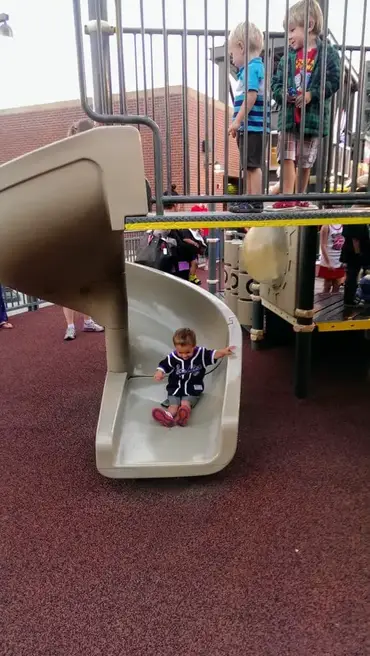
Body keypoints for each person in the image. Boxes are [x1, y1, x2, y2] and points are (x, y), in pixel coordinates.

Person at [271, 0, 340, 210]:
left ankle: (300, 194)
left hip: (312, 117)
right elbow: (276, 84)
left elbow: (333, 80)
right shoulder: (287, 59)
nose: (289, 36)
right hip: (290, 117)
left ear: (309, 26)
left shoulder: (328, 54)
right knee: (287, 155)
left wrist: (312, 94)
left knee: (305, 160)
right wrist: (285, 95)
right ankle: (287, 196)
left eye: (292, 30)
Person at [63, 118, 105, 340]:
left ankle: (87, 320)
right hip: (72, 227)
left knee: (86, 282)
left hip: (84, 227)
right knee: (72, 284)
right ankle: (71, 325)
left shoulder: (87, 156)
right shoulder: (72, 155)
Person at [152, 328, 234, 428]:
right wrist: (159, 372)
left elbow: (213, 354)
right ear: (176, 348)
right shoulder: (173, 357)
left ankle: (183, 415)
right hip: (175, 388)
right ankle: (168, 417)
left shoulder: (201, 354)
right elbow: (164, 365)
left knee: (185, 403)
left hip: (193, 388)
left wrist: (224, 351)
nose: (184, 355)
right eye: (180, 352)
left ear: (194, 346)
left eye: (187, 352)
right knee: (173, 405)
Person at [228, 22, 266, 214]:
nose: (232, 59)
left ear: (242, 47)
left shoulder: (252, 69)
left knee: (252, 166)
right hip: (250, 127)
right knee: (248, 165)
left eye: (232, 54)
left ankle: (255, 200)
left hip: (254, 127)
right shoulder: (251, 69)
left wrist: (237, 121)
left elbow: (250, 97)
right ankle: (250, 199)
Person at [340, 175, 370, 316]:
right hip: (354, 252)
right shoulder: (357, 215)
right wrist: (359, 255)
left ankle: (352, 299)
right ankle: (350, 300)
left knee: (352, 276)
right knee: (352, 276)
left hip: (353, 251)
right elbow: (355, 239)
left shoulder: (353, 211)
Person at [317, 224, 345, 293]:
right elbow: (323, 245)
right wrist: (328, 263)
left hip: (339, 258)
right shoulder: (326, 226)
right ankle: (325, 302)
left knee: (337, 284)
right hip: (328, 258)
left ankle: (334, 302)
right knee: (327, 285)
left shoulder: (344, 225)